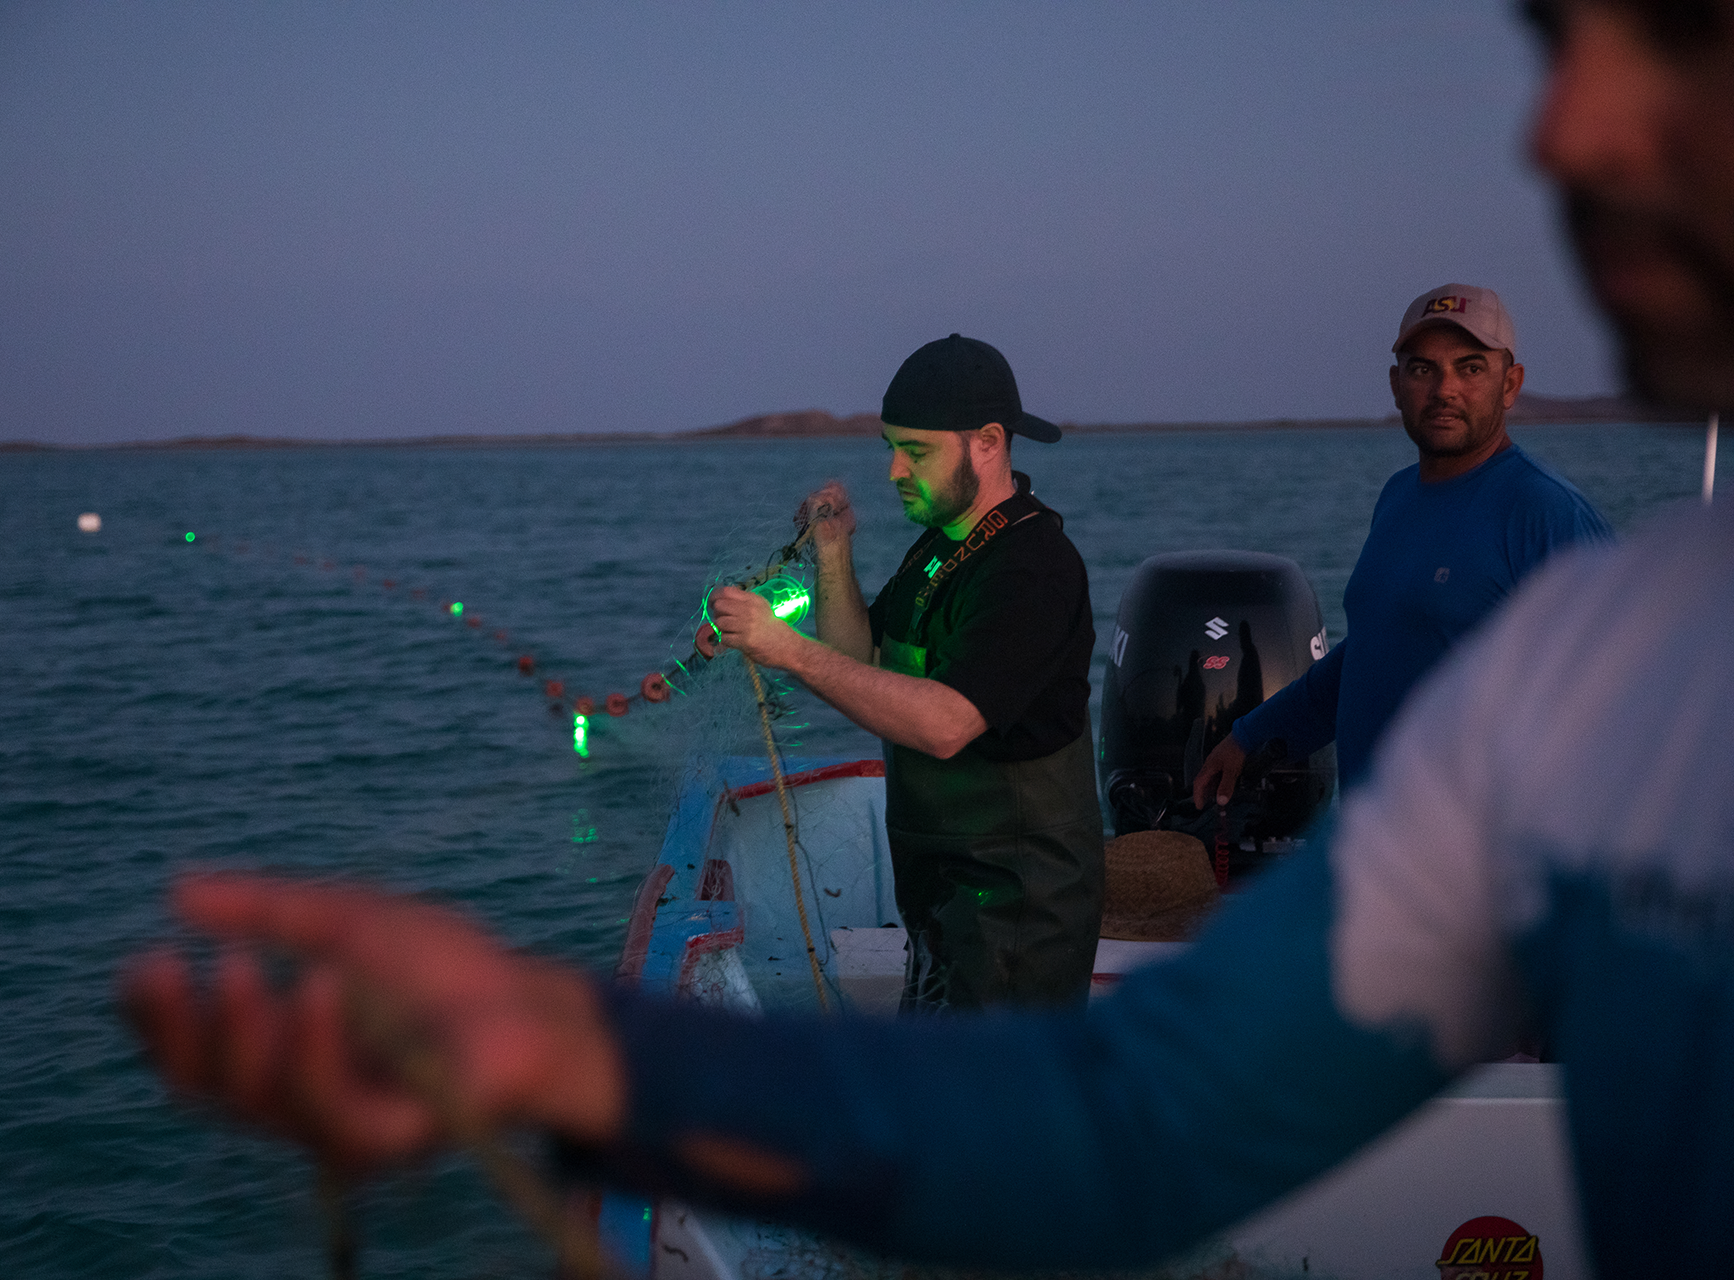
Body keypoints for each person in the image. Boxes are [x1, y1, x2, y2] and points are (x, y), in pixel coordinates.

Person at [122, 2, 1734, 1275]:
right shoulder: (1568, 655)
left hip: (1030, 888)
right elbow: (1149, 1108)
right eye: (1417, 362)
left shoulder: (1547, 573)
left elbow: (943, 721)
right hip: (1079, 894)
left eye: (1674, 29)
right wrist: (579, 1058)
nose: (1566, 126)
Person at [702, 333, 1102, 1011]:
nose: (893, 470)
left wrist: (788, 649)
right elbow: (863, 663)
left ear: (988, 442)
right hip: (945, 898)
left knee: (983, 1106)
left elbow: (946, 723)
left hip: (1019, 910)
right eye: (890, 446)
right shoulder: (943, 545)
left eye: (915, 451)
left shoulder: (1031, 568)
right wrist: (833, 551)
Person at [1191, 283, 1612, 810]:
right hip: (1378, 852)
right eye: (1422, 369)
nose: (1445, 389)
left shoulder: (1546, 514)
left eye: (1471, 368)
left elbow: (1618, 699)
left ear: (1511, 383)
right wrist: (1250, 736)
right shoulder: (1396, 496)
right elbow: (1372, 654)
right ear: (1396, 385)